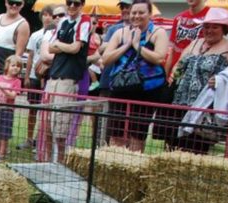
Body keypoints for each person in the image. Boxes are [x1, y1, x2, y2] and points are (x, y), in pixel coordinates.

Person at [168, 7, 228, 152]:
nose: (209, 30)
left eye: (215, 27)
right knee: (172, 147)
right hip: (180, 103)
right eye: (206, 26)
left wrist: (220, 80)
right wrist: (175, 74)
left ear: (224, 29)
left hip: (203, 110)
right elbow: (179, 65)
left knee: (195, 150)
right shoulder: (195, 43)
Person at [102, 0, 167, 151]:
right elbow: (106, 59)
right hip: (120, 86)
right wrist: (127, 45)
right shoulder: (120, 32)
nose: (136, 16)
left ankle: (134, 159)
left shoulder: (158, 33)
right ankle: (113, 159)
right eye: (134, 12)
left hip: (147, 90)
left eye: (141, 12)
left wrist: (137, 45)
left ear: (150, 14)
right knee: (116, 130)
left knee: (137, 133)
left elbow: (159, 58)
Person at [42, 0, 91, 160]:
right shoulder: (63, 22)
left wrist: (60, 45)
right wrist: (65, 46)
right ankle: (48, 160)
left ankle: (61, 162)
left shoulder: (84, 21)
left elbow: (75, 48)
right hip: (54, 76)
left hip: (68, 78)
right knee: (47, 122)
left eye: (76, 3)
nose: (72, 6)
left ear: (82, 5)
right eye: (69, 2)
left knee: (61, 127)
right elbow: (50, 48)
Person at [21, 6, 58, 149]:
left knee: (46, 110)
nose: (47, 18)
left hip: (49, 74)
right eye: (45, 14)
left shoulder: (57, 35)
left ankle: (40, 139)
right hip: (34, 75)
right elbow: (30, 56)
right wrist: (27, 76)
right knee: (33, 108)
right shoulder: (35, 35)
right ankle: (29, 138)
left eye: (51, 15)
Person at [0, 55, 22, 161]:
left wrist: (3, 89)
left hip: (7, 109)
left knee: (4, 132)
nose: (16, 68)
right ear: (7, 66)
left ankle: (2, 153)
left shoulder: (17, 81)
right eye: (13, 65)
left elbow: (13, 96)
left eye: (18, 66)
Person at [168, 0, 210, 72]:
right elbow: (171, 50)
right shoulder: (178, 18)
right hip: (176, 71)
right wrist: (167, 73)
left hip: (197, 71)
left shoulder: (211, 17)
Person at [0, 0, 29, 72]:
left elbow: (18, 54)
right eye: (11, 2)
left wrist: (10, 73)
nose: (14, 5)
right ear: (6, 2)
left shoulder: (23, 25)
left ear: (22, 5)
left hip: (4, 68)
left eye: (18, 3)